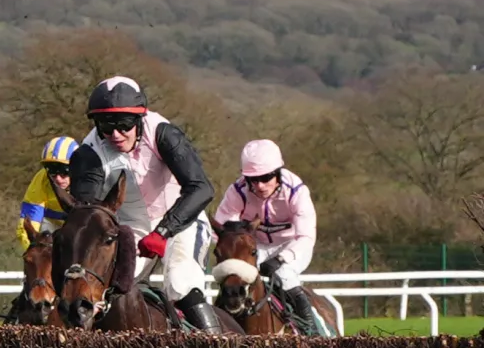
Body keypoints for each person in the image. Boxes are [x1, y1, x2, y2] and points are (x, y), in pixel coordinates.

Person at [74, 76, 221, 331]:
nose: (116, 135)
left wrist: (163, 231)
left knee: (180, 282)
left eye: (124, 125)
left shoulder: (163, 133)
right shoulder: (89, 152)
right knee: (103, 290)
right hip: (132, 228)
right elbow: (87, 211)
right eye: (106, 128)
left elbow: (201, 188)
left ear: (139, 119)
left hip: (182, 220)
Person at [215, 138, 327, 335]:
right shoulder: (237, 192)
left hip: (293, 246)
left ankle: (311, 331)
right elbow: (225, 231)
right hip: (256, 248)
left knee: (284, 275)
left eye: (266, 178)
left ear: (278, 173)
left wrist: (282, 258)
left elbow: (306, 236)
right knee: (234, 277)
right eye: (252, 179)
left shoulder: (296, 191)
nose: (259, 185)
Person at [16, 136, 79, 251]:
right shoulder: (41, 181)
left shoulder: (87, 179)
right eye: (52, 171)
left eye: (65, 171)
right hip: (51, 223)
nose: (58, 179)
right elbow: (28, 225)